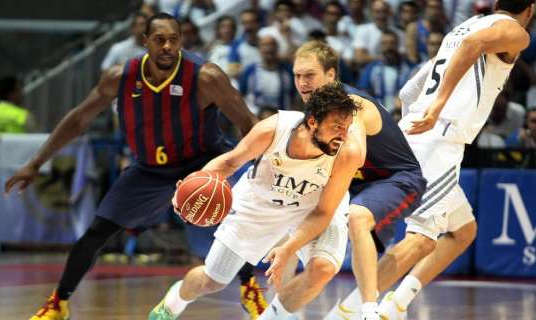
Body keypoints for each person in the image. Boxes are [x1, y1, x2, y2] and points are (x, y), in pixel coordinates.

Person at [4, 13, 257, 320]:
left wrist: (260, 164)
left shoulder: (206, 76)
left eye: (173, 40)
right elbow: (79, 119)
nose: (167, 46)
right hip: (149, 168)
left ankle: (249, 287)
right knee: (96, 233)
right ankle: (58, 303)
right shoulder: (120, 77)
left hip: (201, 163)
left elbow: (246, 121)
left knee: (232, 223)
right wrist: (35, 163)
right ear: (145, 41)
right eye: (160, 40)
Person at [333, 0, 534, 319]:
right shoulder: (514, 31)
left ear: (496, 3)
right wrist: (438, 108)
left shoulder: (462, 27)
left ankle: (395, 305)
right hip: (439, 140)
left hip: (415, 132)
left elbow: (408, 91)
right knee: (421, 239)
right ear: (531, 8)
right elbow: (474, 45)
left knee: (463, 231)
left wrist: (419, 117)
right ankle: (346, 313)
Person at [149, 82, 364, 320]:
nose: (343, 135)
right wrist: (192, 185)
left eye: (347, 128)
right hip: (260, 202)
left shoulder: (348, 151)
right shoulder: (274, 129)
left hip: (314, 207)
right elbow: (230, 163)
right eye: (337, 127)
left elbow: (323, 212)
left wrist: (288, 247)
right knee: (212, 280)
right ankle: (172, 304)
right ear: (312, 121)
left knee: (322, 267)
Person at [289, 41, 426, 320]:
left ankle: (369, 313)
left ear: (331, 75)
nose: (302, 83)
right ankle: (281, 310)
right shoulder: (314, 110)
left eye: (309, 75)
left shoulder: (352, 105)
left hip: (398, 182)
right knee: (294, 214)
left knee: (358, 218)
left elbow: (356, 157)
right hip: (362, 187)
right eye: (297, 76)